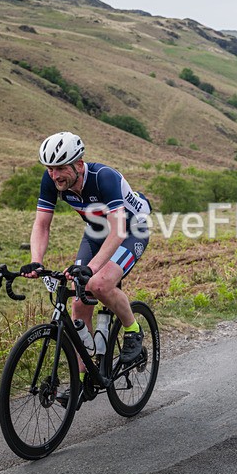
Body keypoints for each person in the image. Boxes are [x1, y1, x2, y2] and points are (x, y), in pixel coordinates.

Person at [20, 132, 151, 404]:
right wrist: (36, 261)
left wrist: (90, 268)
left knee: (99, 284)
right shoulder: (51, 181)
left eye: (60, 168)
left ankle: (133, 331)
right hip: (95, 231)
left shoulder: (105, 178)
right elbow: (42, 224)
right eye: (50, 168)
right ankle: (81, 380)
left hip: (131, 228)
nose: (54, 175)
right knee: (79, 304)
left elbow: (119, 229)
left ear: (79, 165)